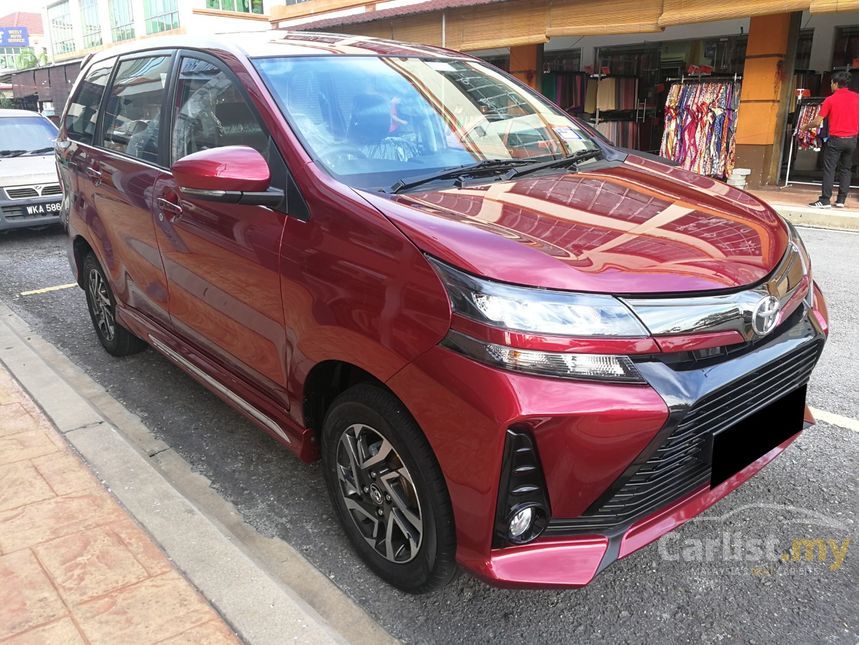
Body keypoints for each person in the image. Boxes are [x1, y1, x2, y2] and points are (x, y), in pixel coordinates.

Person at [807, 71, 858, 209]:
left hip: (836, 140)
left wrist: (806, 126)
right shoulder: (857, 98)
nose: (830, 85)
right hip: (852, 140)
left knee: (830, 169)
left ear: (836, 83)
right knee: (846, 169)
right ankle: (841, 200)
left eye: (831, 83)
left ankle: (824, 200)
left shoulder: (830, 99)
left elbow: (818, 122)